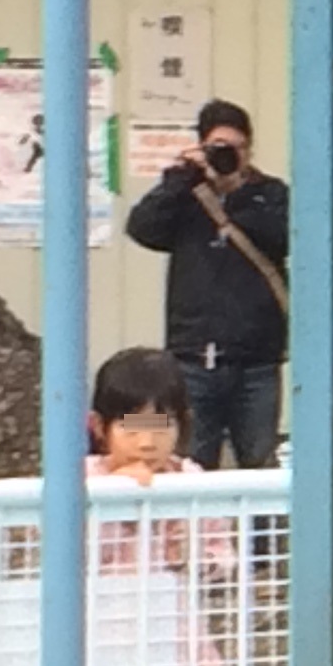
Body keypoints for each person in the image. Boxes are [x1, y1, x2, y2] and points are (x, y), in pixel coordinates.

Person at [83, 346, 233, 666]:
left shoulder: (190, 479)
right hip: (104, 647)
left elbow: (222, 558)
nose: (147, 442)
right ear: (100, 427)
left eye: (161, 427)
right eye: (132, 429)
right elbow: (75, 556)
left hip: (173, 641)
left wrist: (190, 550)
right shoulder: (84, 477)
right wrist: (120, 501)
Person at [123, 99, 289, 470]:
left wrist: (235, 192)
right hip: (191, 356)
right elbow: (141, 229)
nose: (228, 156)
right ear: (201, 146)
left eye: (236, 148)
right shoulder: (185, 193)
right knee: (190, 463)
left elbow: (285, 236)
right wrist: (180, 181)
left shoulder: (271, 194)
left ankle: (260, 529)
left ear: (249, 149)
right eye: (218, 148)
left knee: (260, 462)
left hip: (256, 359)